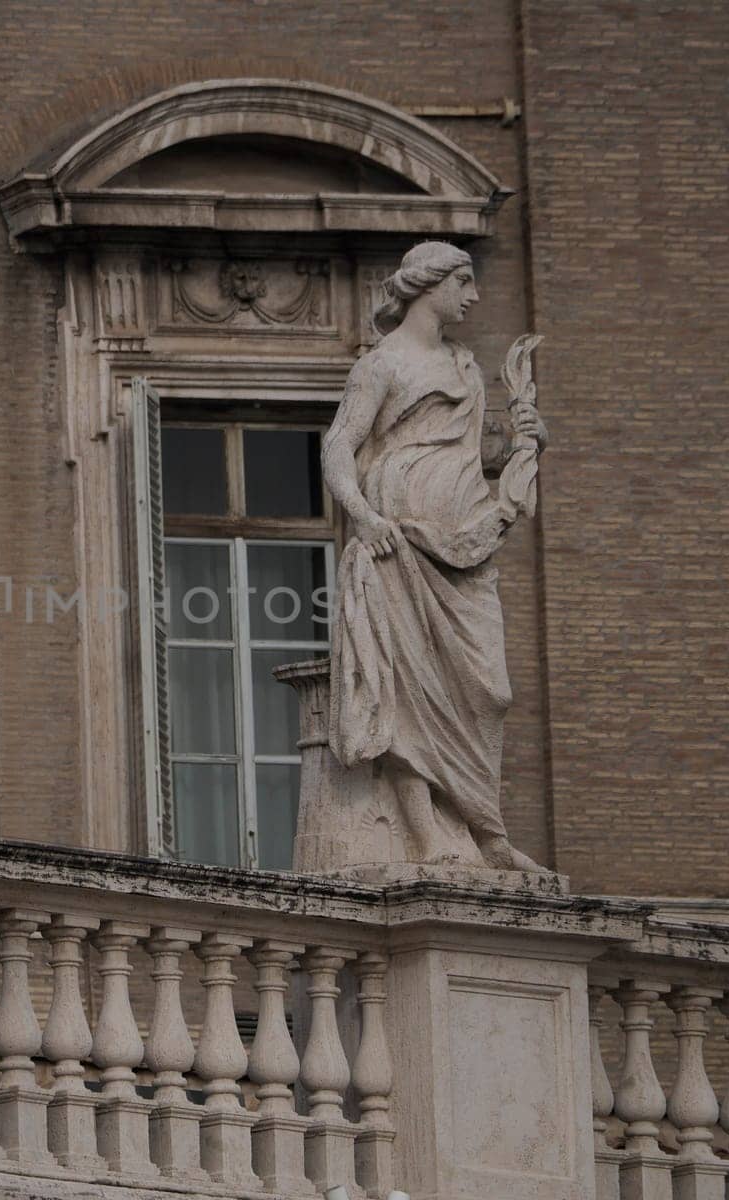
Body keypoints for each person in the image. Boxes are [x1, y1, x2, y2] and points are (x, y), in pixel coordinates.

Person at [321, 241, 547, 870]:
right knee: (408, 689)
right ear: (429, 283)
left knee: (488, 690)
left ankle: (486, 829)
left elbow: (480, 453)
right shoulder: (381, 365)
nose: (473, 296)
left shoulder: (467, 368)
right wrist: (364, 519)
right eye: (464, 282)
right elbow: (338, 448)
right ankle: (431, 836)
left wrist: (523, 440)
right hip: (399, 540)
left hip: (467, 541)